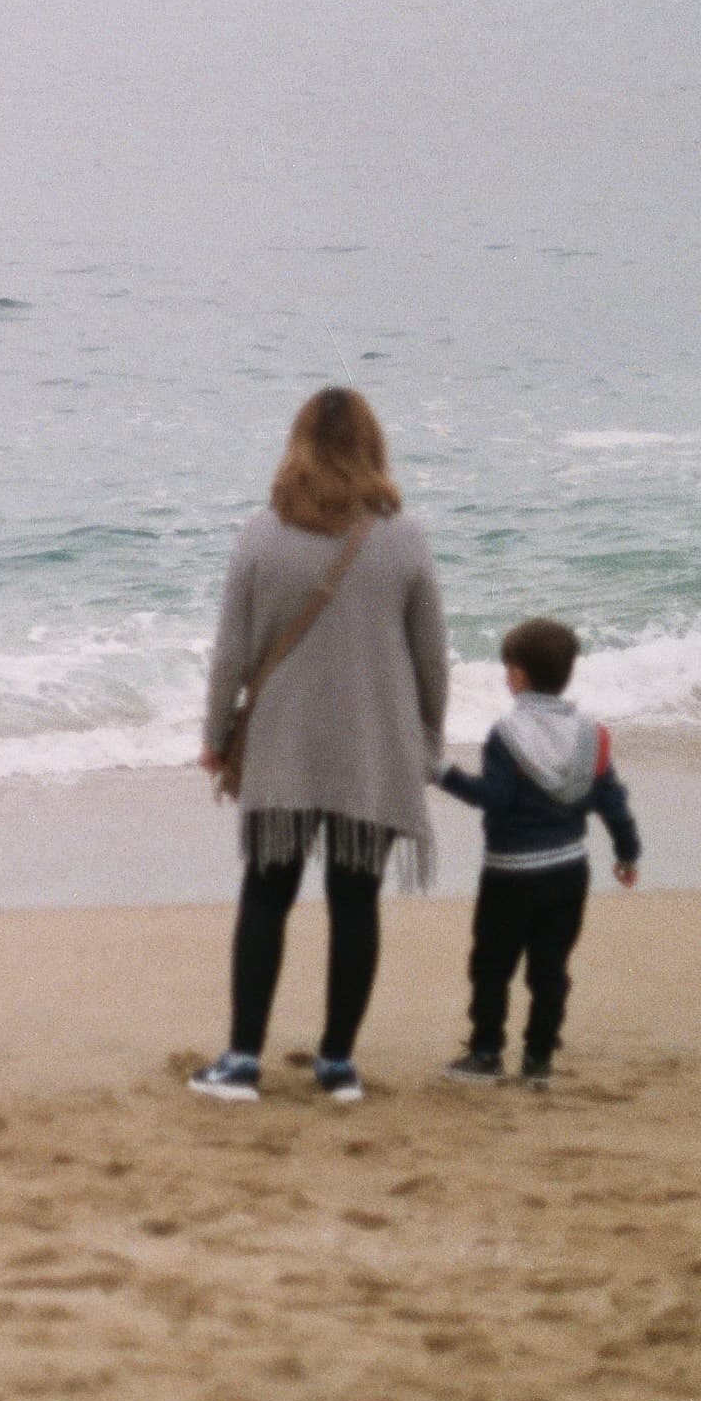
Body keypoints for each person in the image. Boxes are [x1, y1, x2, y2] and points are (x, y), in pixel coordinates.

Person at [189, 388, 450, 1104]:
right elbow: (431, 656)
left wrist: (214, 735)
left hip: (282, 746)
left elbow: (229, 653)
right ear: (373, 445)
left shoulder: (259, 534)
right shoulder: (403, 536)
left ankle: (241, 1060)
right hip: (372, 744)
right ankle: (337, 1064)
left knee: (265, 896)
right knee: (354, 899)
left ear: (295, 444)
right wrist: (425, 739)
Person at [433, 618, 642, 1090]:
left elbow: (493, 798)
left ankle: (486, 1053)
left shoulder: (506, 734)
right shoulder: (591, 734)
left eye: (508, 667)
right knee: (550, 969)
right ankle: (539, 1059)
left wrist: (442, 773)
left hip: (509, 875)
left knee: (492, 966)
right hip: (569, 871)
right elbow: (611, 800)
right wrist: (627, 853)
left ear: (519, 676)